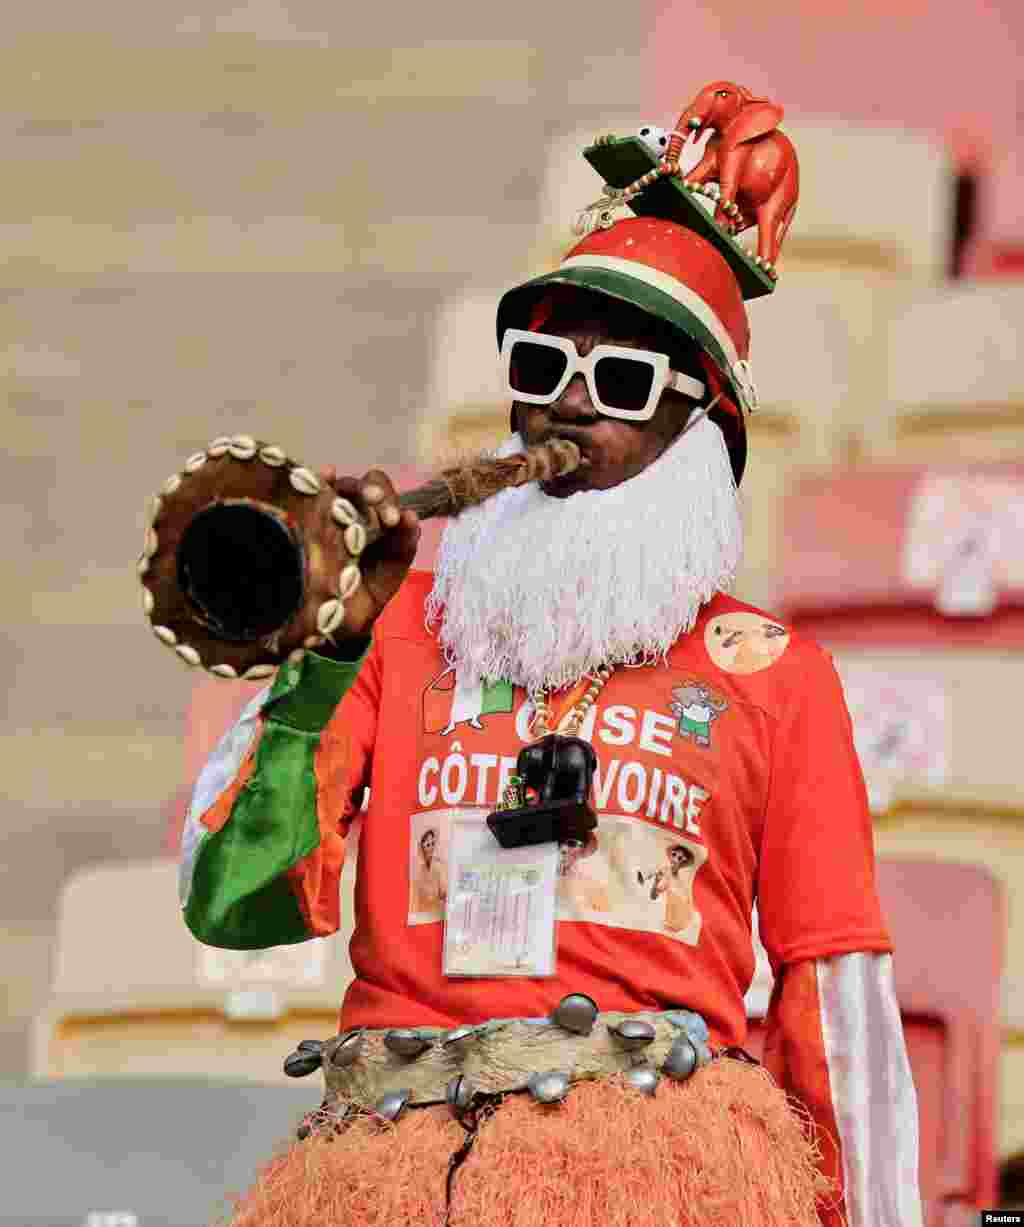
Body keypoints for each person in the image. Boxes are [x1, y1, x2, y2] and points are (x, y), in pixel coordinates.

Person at [179, 207, 923, 1226]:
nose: (567, 403)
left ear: (700, 424)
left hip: (662, 1183)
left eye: (619, 381)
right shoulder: (386, 630)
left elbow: (833, 1002)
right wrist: (324, 656)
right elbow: (231, 903)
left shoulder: (777, 673)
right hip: (386, 1180)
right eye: (539, 368)